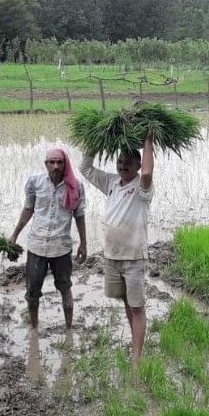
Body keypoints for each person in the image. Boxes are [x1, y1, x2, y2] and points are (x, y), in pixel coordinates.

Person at [79, 132, 154, 366]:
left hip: (133, 257)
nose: (123, 166)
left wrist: (148, 141)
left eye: (129, 163)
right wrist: (96, 138)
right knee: (125, 301)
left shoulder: (142, 189)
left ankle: (137, 358)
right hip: (111, 256)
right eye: (120, 162)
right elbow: (85, 168)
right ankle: (135, 343)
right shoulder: (111, 182)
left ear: (138, 165)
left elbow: (149, 173)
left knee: (137, 306)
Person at [10, 148, 87, 330]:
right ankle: (35, 329)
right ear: (46, 164)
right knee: (32, 292)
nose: (56, 166)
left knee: (65, 287)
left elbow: (79, 216)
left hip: (61, 248)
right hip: (37, 247)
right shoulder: (35, 182)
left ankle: (69, 328)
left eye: (59, 162)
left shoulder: (75, 186)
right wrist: (14, 235)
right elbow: (28, 209)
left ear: (65, 164)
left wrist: (83, 244)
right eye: (51, 162)